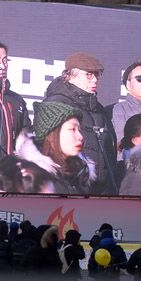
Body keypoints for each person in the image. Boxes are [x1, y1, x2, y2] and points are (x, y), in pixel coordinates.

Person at [42, 53, 118, 194]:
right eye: (89, 75)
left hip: (101, 193)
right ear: (71, 76)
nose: (95, 80)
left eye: (97, 75)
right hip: (68, 190)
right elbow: (47, 151)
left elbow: (110, 153)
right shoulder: (55, 105)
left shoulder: (99, 110)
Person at [14, 101, 97, 194]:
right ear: (52, 135)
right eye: (72, 129)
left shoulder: (80, 172)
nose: (80, 136)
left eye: (79, 130)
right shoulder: (32, 181)